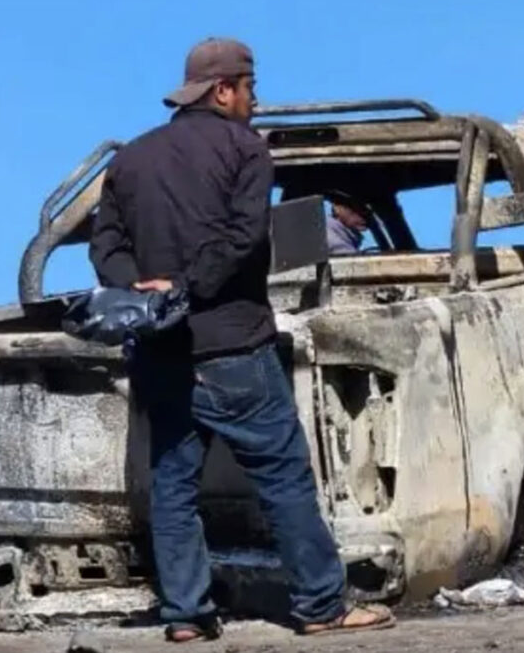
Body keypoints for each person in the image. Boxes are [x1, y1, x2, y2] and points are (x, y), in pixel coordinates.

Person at [89, 37, 394, 643]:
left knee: (174, 488)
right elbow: (245, 239)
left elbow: (106, 250)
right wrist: (186, 285)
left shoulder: (130, 160)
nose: (256, 102)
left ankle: (186, 618)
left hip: (162, 350)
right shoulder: (245, 151)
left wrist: (147, 292)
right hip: (234, 347)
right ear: (223, 89)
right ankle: (321, 606)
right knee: (284, 479)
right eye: (251, 89)